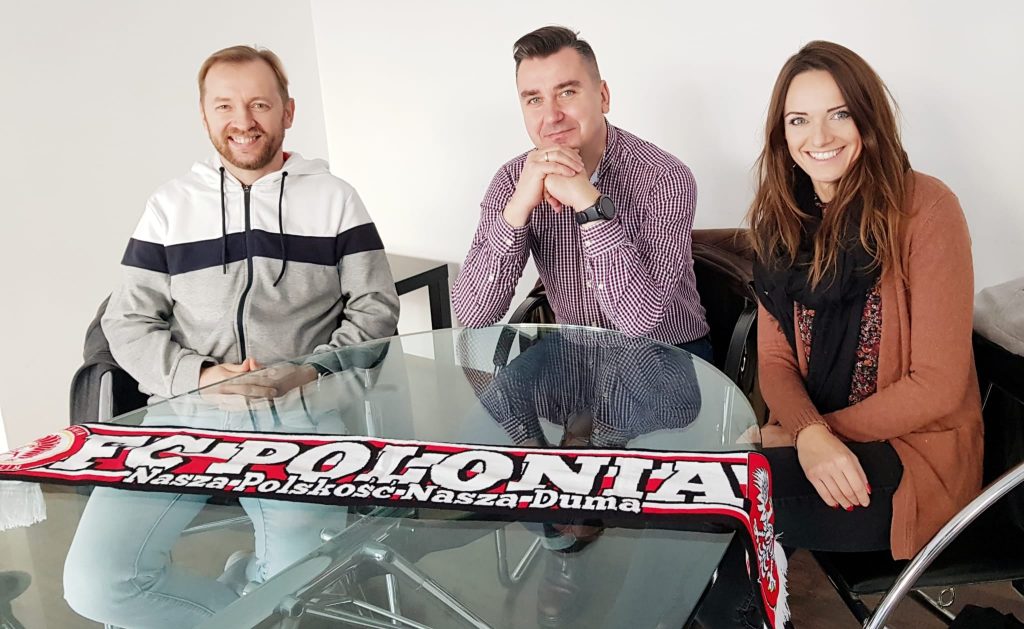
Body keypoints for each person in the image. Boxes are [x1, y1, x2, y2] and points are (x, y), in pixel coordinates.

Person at [63, 45, 399, 628]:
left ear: (288, 111)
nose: (243, 121)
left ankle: (257, 595)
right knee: (95, 585)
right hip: (183, 412)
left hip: (301, 415)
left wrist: (308, 371)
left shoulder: (335, 199)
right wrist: (199, 376)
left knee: (297, 583)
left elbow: (376, 310)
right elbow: (126, 320)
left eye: (259, 104)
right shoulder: (169, 206)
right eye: (225, 106)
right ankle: (246, 600)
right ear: (204, 115)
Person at [700, 40, 983, 628]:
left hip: (916, 462)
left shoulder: (926, 210)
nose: (819, 136)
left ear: (868, 119)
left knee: (727, 507)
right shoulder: (782, 223)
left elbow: (936, 384)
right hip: (824, 443)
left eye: (839, 114)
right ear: (782, 134)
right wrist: (809, 435)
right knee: (704, 497)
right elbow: (776, 363)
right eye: (799, 120)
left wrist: (813, 435)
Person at [451, 26, 712, 362]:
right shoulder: (512, 180)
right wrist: (518, 208)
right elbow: (473, 314)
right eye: (534, 99)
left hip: (666, 352)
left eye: (567, 92)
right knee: (489, 399)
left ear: (603, 96)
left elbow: (639, 319)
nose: (551, 116)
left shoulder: (665, 177)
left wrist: (587, 203)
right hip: (574, 353)